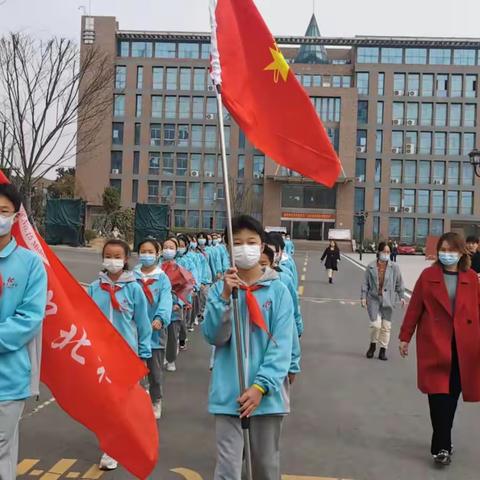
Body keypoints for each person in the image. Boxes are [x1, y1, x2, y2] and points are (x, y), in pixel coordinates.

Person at [202, 215, 295, 480]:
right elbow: (214, 336)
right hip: (228, 395)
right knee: (228, 470)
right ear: (227, 248)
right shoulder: (220, 290)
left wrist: (260, 387)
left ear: (262, 245)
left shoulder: (278, 291)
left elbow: (282, 347)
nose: (244, 248)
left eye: (251, 242)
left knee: (264, 468)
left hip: (266, 399)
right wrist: (223, 299)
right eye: (237, 243)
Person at [399, 232, 480, 466]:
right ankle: (442, 445)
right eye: (443, 249)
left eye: (452, 250)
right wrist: (405, 337)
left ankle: (442, 442)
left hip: (463, 348)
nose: (446, 254)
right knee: (437, 398)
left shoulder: (472, 278)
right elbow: (414, 308)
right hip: (434, 344)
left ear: (461, 252)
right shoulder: (428, 276)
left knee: (451, 398)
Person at [88, 239, 152, 471]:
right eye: (108, 255)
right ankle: (112, 443)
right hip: (100, 355)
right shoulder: (95, 288)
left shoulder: (134, 288)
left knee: (121, 402)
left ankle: (114, 449)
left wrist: (143, 354)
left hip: (126, 355)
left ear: (126, 260)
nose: (112, 260)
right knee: (106, 403)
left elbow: (143, 324)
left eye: (117, 256)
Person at [0, 184, 47, 480]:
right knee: (5, 453)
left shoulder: (30, 264)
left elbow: (29, 319)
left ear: (16, 217)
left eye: (3, 211)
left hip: (8, 379)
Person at [135, 238, 173, 419]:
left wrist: (160, 318)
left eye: (150, 252)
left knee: (155, 373)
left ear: (157, 254)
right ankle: (136, 401)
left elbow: (166, 300)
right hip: (133, 332)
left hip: (154, 334)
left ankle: (156, 400)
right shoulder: (131, 276)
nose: (147, 255)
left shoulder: (162, 278)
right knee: (133, 372)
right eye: (143, 251)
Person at [361, 241, 405, 361]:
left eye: (388, 252)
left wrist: (401, 296)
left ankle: (383, 350)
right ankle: (373, 344)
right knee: (375, 325)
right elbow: (365, 284)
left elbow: (399, 284)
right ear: (379, 252)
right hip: (374, 298)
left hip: (388, 300)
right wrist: (363, 297)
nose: (386, 254)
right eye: (383, 251)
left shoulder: (394, 267)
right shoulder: (370, 266)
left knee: (386, 326)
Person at [161, 237, 186, 372]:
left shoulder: (180, 268)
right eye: (165, 247)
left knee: (172, 335)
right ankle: (160, 357)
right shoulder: (157, 267)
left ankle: (170, 359)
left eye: (171, 248)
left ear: (176, 251)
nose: (168, 250)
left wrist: (179, 303)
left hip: (174, 307)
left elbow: (186, 287)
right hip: (158, 307)